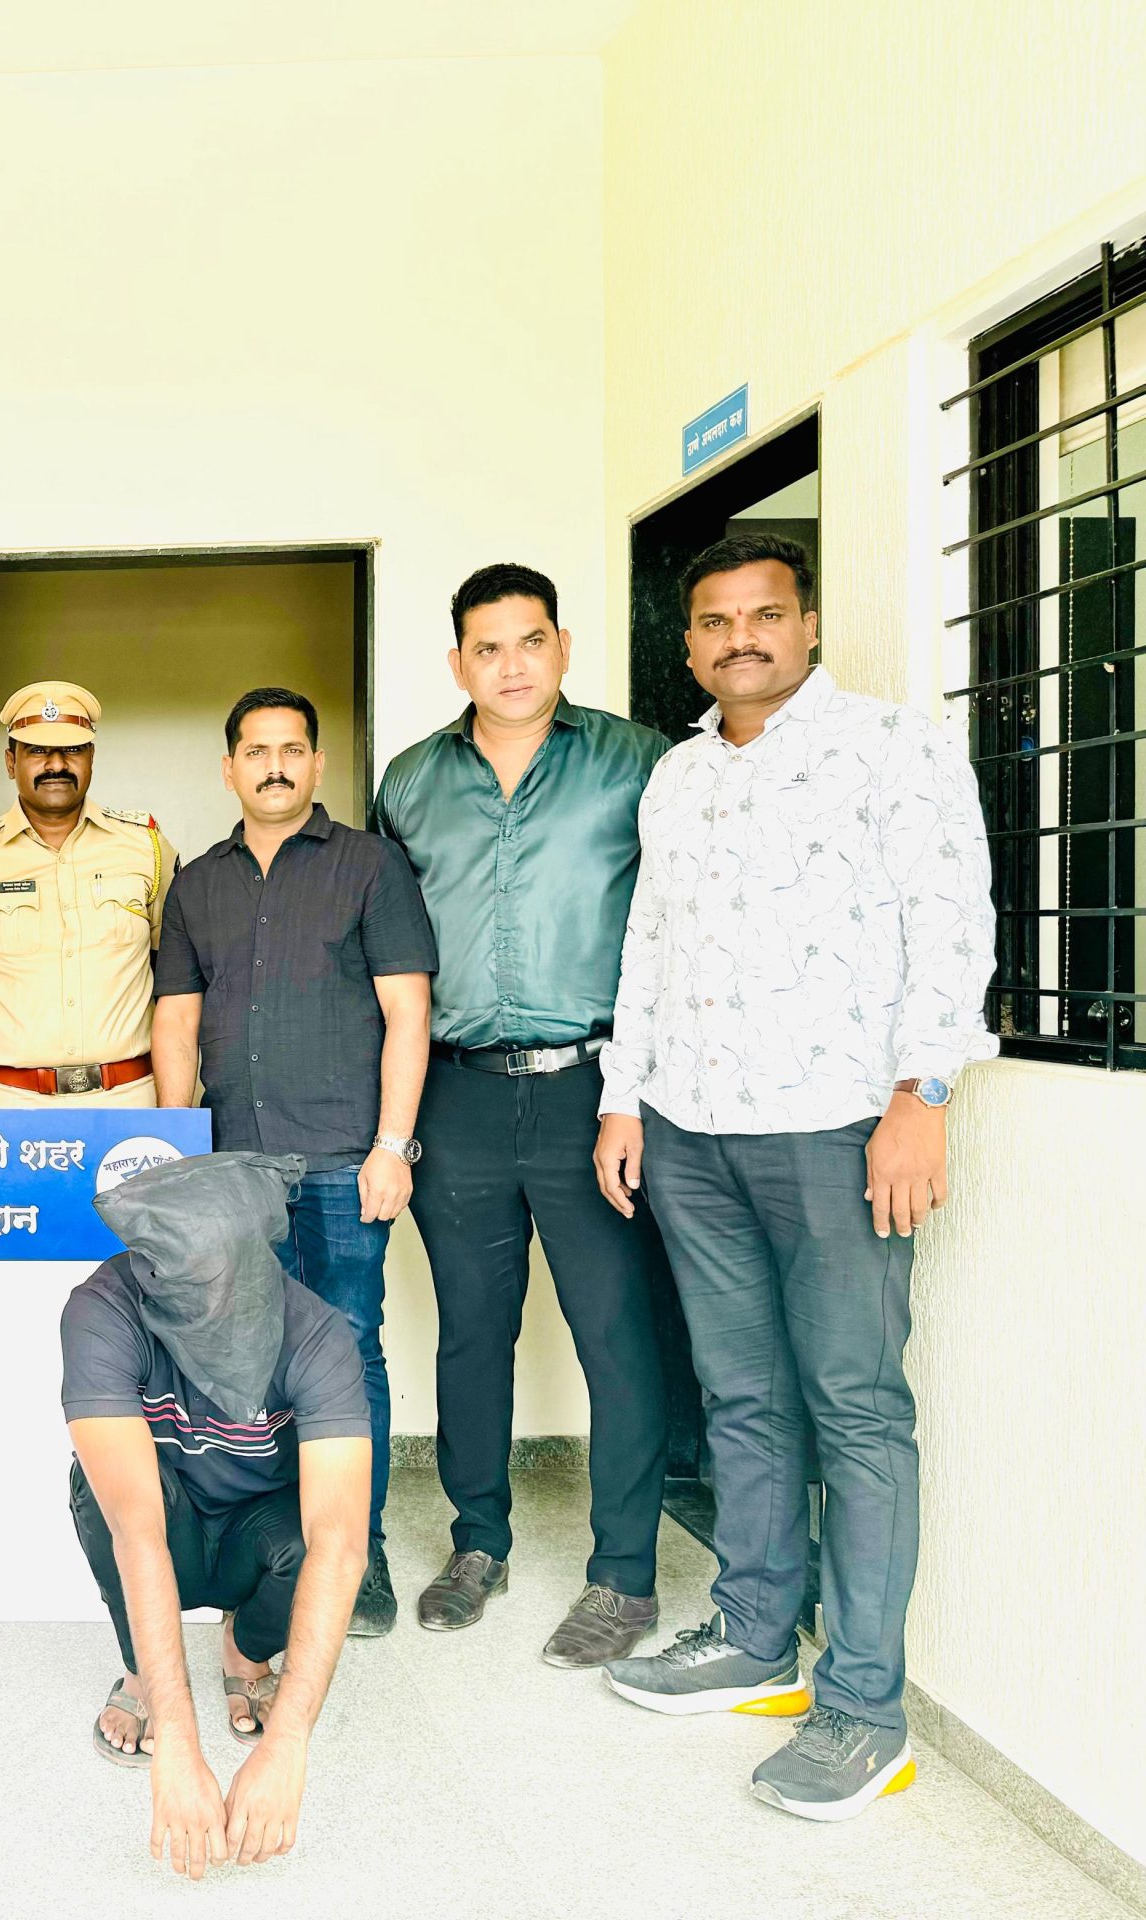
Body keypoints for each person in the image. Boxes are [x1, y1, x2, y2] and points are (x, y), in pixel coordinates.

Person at [594, 533, 995, 1822]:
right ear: (689, 643)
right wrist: (623, 1097)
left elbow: (951, 924)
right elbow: (648, 941)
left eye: (764, 615)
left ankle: (862, 1708)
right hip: (691, 1126)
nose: (740, 639)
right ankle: (756, 1636)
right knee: (741, 1395)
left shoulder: (892, 748)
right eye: (714, 622)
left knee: (855, 1411)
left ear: (807, 626)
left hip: (836, 1130)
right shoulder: (677, 776)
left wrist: (921, 1097)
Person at [370, 564, 674, 1665]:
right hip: (456, 1093)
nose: (510, 665)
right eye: (487, 647)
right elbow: (386, 951)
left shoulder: (639, 764)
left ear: (563, 647)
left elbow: (682, 925)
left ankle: (623, 1576)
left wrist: (636, 1090)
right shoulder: (410, 782)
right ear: (457, 663)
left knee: (615, 1332)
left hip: (594, 1093)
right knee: (471, 1330)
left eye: (530, 641)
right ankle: (477, 1543)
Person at [150, 688, 436, 1637]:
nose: (274, 765)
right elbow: (177, 1022)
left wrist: (393, 1146)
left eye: (292, 749)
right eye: (256, 750)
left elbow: (408, 1013)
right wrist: (182, 1156)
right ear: (229, 768)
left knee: (347, 1350)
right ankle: (272, 1546)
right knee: (243, 1359)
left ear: (316, 763)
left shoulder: (371, 866)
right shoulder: (196, 884)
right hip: (234, 1167)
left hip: (343, 1162)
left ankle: (359, 1554)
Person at [63, 1152, 371, 1880]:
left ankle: (247, 1651)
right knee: (99, 1498)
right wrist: (177, 1738)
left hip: (254, 1534)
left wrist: (289, 1742)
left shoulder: (318, 1336)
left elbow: (340, 1543)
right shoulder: (102, 1311)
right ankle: (143, 1676)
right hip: (165, 1519)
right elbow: (136, 1528)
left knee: (316, 1537)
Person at [0, 681, 176, 1106]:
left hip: (127, 1097)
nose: (56, 764)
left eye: (73, 750)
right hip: (12, 1101)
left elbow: (168, 966)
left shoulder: (146, 845)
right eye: (38, 750)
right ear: (11, 762)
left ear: (92, 757)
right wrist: (14, 1019)